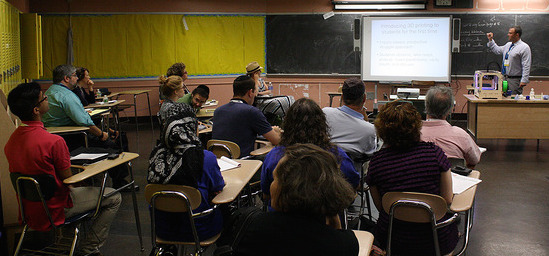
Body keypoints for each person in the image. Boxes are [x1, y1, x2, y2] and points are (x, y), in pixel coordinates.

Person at [5, 82, 121, 256]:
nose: (47, 99)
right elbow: (69, 179)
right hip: (56, 207)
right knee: (113, 196)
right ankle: (90, 247)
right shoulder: (53, 142)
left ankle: (65, 243)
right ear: (36, 110)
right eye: (44, 98)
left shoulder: (11, 141)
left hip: (30, 208)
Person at [366, 100, 457, 256]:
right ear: (416, 126)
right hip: (435, 240)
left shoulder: (376, 163)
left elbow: (382, 207)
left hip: (393, 240)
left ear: (381, 129)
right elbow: (447, 200)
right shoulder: (434, 154)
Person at [235, 143, 359, 256]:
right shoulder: (346, 244)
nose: (271, 185)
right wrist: (333, 218)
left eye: (275, 179)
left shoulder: (248, 225)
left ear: (286, 189)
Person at [148, 75, 225, 241]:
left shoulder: (155, 156)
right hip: (197, 229)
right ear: (192, 127)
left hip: (162, 230)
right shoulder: (206, 158)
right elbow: (219, 187)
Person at [42, 64, 129, 189]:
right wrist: (101, 134)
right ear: (66, 78)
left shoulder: (50, 91)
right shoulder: (67, 96)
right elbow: (85, 122)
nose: (77, 78)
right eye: (74, 75)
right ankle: (120, 183)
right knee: (113, 147)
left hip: (58, 139)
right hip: (73, 140)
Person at [261, 98, 360, 206]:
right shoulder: (335, 154)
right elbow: (353, 184)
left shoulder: (275, 155)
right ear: (322, 124)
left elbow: (266, 194)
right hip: (324, 217)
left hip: (282, 217)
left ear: (288, 124)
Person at [212, 75, 282, 157]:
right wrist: (277, 131)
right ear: (250, 92)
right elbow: (276, 141)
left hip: (220, 162)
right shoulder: (252, 111)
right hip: (243, 163)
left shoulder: (218, 111)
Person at [421, 86, 481, 169]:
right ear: (450, 110)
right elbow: (475, 160)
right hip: (453, 180)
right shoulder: (461, 135)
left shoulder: (412, 134)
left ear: (426, 106)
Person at [323, 77, 376, 169]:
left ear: (342, 97)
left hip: (324, 172)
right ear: (364, 98)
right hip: (351, 178)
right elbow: (370, 153)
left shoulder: (325, 113)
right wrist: (365, 122)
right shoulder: (369, 129)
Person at [246, 61, 294, 125]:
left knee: (289, 98)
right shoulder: (250, 82)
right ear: (255, 73)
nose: (260, 72)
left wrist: (261, 93)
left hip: (266, 98)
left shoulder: (261, 80)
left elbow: (269, 91)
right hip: (260, 102)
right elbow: (255, 94)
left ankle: (289, 116)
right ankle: (286, 117)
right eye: (259, 70)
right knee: (279, 102)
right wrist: (256, 81)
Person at [486, 25, 531, 94]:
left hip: (514, 80)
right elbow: (497, 50)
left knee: (512, 101)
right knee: (501, 99)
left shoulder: (524, 47)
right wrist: (491, 40)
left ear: (517, 35)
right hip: (504, 78)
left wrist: (524, 80)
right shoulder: (508, 45)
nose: (508, 34)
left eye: (510, 33)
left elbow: (526, 65)